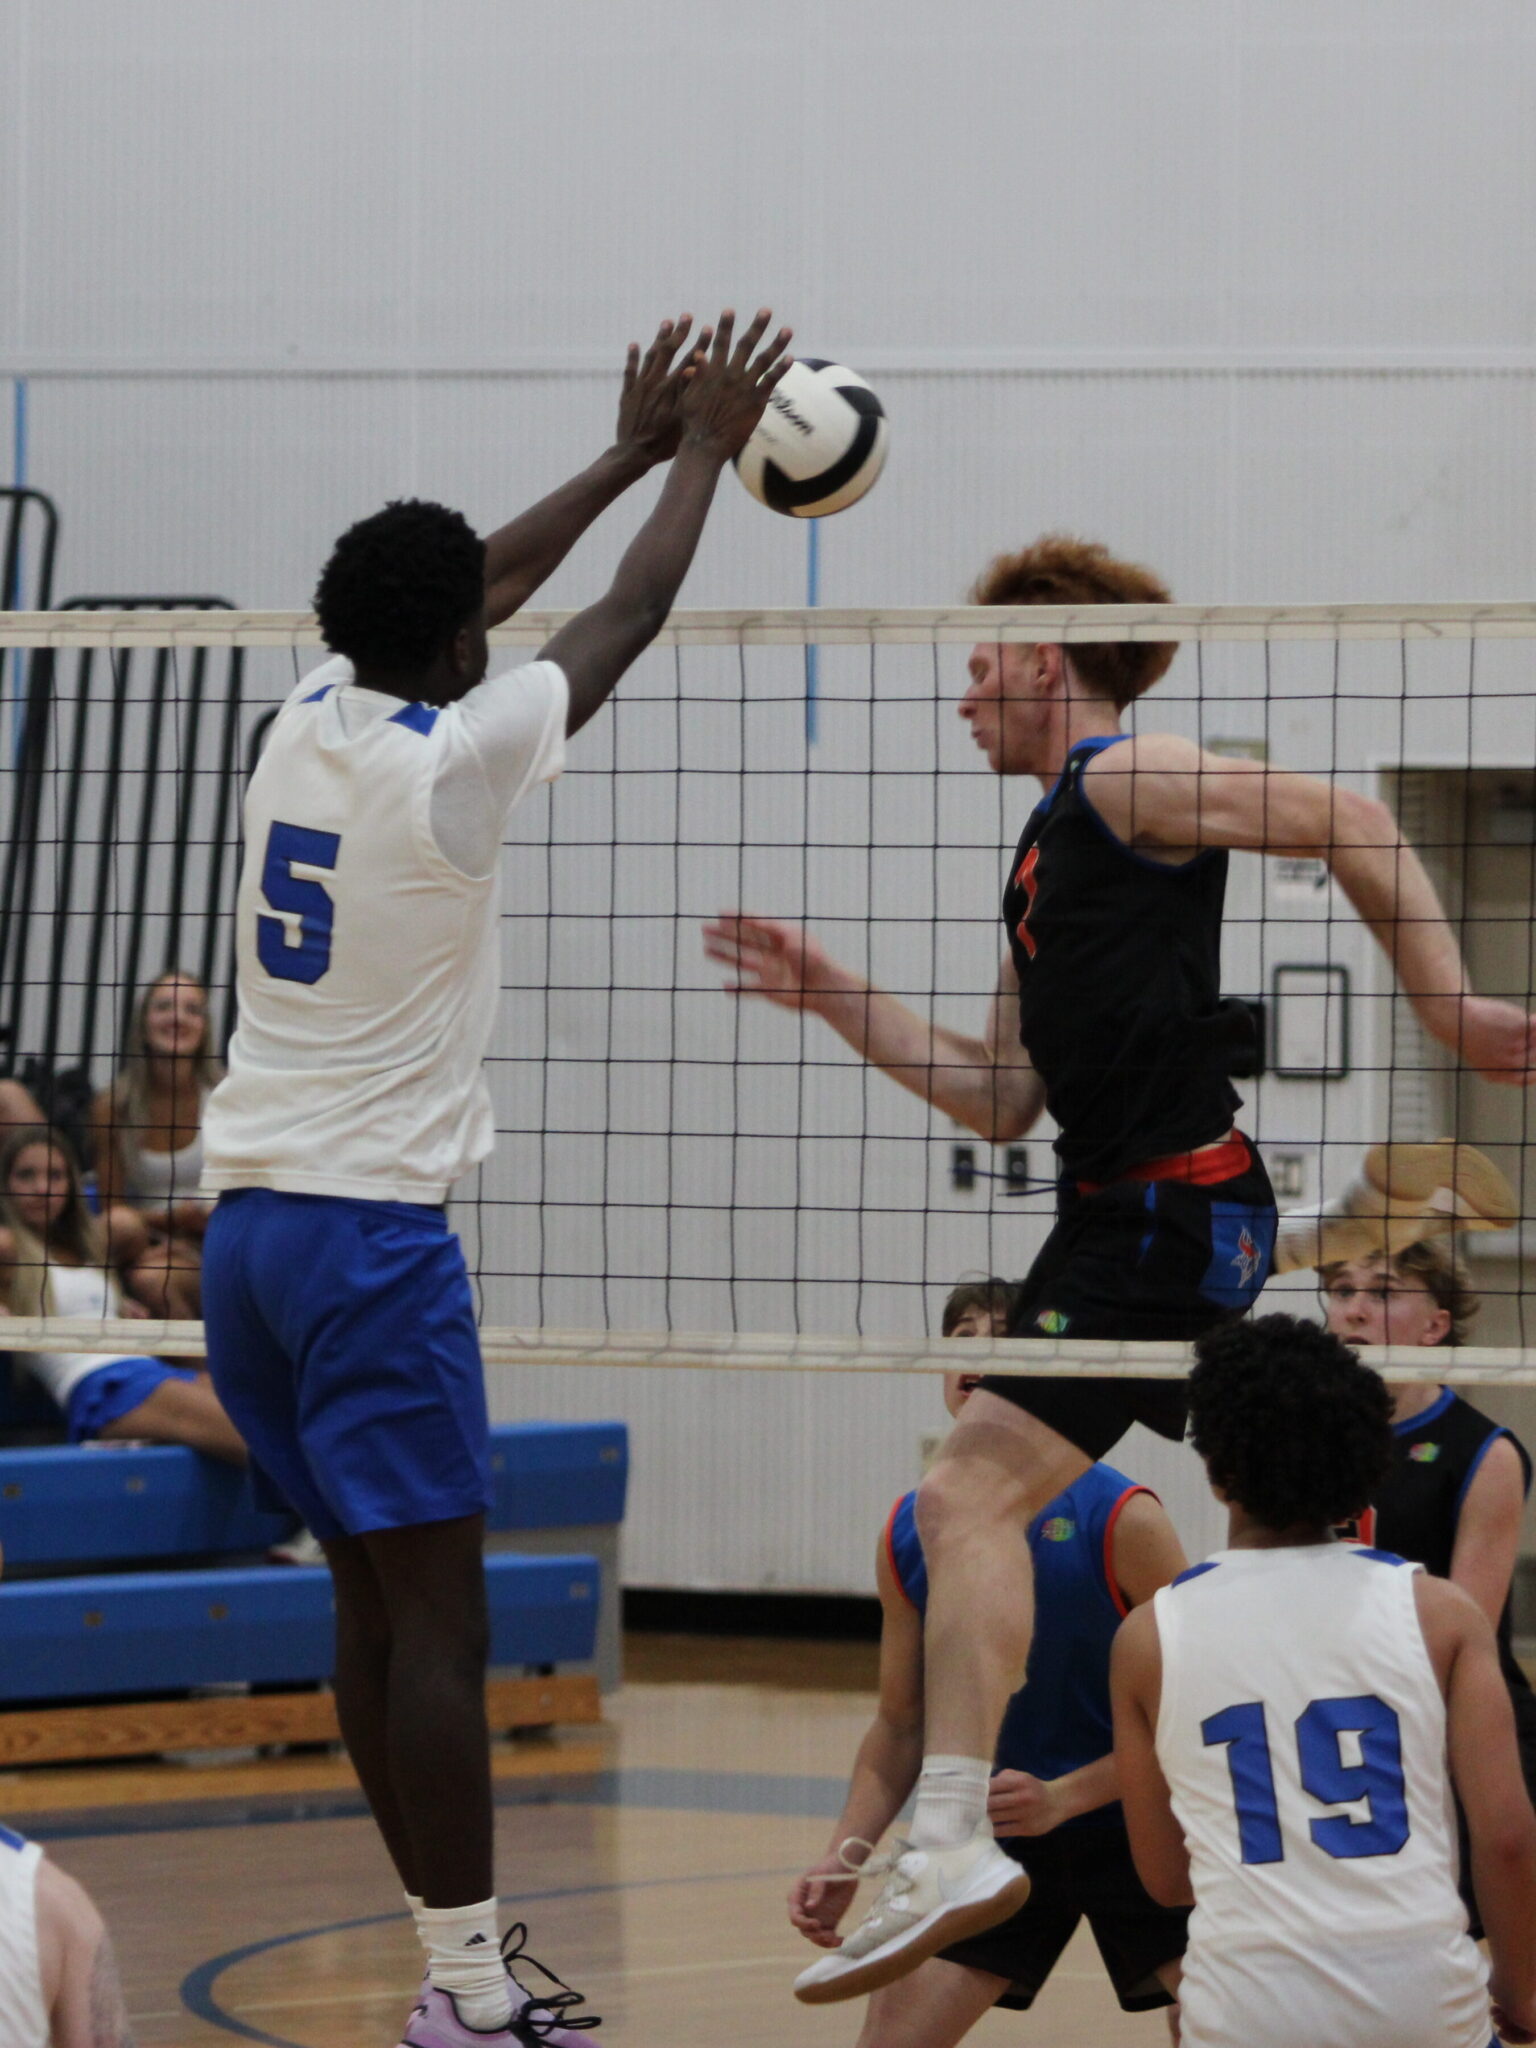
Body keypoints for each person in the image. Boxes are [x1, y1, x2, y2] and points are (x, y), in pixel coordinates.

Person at [703, 534, 1536, 1997]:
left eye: (979, 668)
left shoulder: (1123, 775)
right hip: (1117, 1209)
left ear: (1044, 657)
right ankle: (967, 1831)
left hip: (1173, 1204)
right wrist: (830, 989)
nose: (963, 697)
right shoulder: (1048, 843)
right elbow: (995, 1096)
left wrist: (1451, 1005)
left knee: (962, 1493)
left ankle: (957, 1832)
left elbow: (1349, 816)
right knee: (975, 1500)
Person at [196, 310, 793, 2048]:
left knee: (372, 1608)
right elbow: (623, 612)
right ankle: (464, 1989)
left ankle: (454, 1967)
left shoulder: (304, 714)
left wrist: (623, 449)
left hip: (247, 1236)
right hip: (368, 1246)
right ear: (461, 646)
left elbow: (488, 590)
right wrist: (703, 456)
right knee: (442, 1628)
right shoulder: (453, 768)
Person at [1111, 1313, 1536, 2048]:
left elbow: (1167, 1878)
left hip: (1247, 2009)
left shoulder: (1147, 1637)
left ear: (1215, 1468)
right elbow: (1506, 1839)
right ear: (1364, 1465)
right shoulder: (1442, 1614)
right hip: (1418, 2001)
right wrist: (1521, 1990)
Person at [791, 1280, 1191, 2035]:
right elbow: (900, 1724)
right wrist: (843, 1855)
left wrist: (1066, 1797)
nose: (977, 1352)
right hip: (991, 1838)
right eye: (962, 1336)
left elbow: (1203, 1710)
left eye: (1001, 1335)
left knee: (1218, 2026)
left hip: (1141, 1819)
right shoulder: (910, 1531)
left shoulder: (1124, 1517)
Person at [0, 1125, 244, 1462]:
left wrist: (117, 1307)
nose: (42, 1188)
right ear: (5, 1185)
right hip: (103, 1387)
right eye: (26, 1176)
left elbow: (125, 1227)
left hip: (148, 1368)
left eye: (55, 1176)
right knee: (254, 1437)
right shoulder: (7, 1245)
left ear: (71, 1185)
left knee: (263, 1412)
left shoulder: (87, 1249)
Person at [87, 970, 221, 1320]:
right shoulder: (113, 1105)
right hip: (142, 1238)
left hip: (211, 1241)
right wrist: (171, 1221)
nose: (177, 1018)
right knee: (120, 1225)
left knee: (153, 1279)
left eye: (192, 1010)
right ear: (144, 1024)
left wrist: (192, 1228)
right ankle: (85, 1302)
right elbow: (112, 1209)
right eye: (164, 1007)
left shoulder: (226, 1098)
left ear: (205, 1028)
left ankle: (206, 1359)